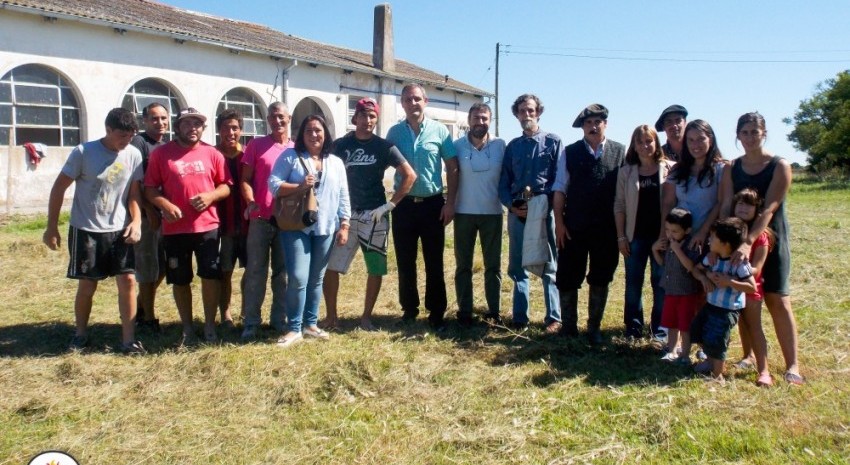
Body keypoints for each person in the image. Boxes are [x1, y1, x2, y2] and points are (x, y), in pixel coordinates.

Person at [43, 107, 145, 353]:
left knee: (129, 281)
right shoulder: (83, 152)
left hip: (120, 229)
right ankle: (80, 334)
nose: (126, 141)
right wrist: (51, 227)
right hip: (86, 228)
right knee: (88, 285)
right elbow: (58, 189)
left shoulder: (133, 154)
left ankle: (128, 340)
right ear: (108, 130)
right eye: (121, 136)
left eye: (130, 136)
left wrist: (137, 221)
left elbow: (133, 194)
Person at [720, 111, 802, 385]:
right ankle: (750, 355)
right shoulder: (733, 167)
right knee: (744, 300)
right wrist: (722, 240)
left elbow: (770, 208)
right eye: (744, 132)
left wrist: (748, 242)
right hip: (739, 242)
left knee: (778, 299)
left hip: (771, 240)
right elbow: (726, 203)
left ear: (764, 134)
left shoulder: (779, 165)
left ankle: (792, 365)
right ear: (737, 136)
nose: (750, 137)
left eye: (755, 132)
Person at [322, 98, 416, 331]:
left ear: (377, 119)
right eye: (363, 115)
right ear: (355, 118)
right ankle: (331, 317)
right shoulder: (340, 145)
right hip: (345, 216)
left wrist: (389, 206)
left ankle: (366, 317)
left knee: (375, 267)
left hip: (374, 215)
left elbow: (410, 176)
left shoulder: (384, 147)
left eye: (372, 116)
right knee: (331, 267)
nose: (367, 120)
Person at [144, 107, 232, 346]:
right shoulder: (162, 154)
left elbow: (226, 185)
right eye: (187, 123)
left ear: (203, 128)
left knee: (209, 277)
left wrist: (211, 196)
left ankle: (210, 326)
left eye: (198, 124)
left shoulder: (212, 153)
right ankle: (187, 328)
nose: (193, 128)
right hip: (175, 229)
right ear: (178, 126)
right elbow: (150, 189)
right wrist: (164, 205)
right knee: (180, 280)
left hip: (207, 227)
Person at [269, 115, 350, 347]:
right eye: (309, 131)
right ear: (302, 135)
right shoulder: (291, 157)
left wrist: (344, 224)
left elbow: (344, 195)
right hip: (297, 227)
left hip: (325, 227)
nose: (314, 135)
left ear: (326, 134)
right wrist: (300, 186)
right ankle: (294, 327)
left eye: (318, 130)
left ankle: (310, 325)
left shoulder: (335, 162)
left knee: (317, 279)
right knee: (298, 277)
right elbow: (273, 184)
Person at [386, 84, 458, 331]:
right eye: (408, 99)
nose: (412, 103)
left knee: (434, 261)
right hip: (404, 207)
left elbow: (452, 167)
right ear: (402, 103)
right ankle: (409, 310)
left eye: (417, 99)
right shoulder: (394, 133)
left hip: (433, 205)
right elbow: (382, 164)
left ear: (425, 101)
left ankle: (436, 312)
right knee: (405, 262)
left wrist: (450, 203)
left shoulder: (440, 131)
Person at [553, 104, 625, 344]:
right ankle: (569, 327)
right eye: (588, 123)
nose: (593, 127)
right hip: (574, 226)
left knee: (602, 275)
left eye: (598, 122)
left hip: (606, 228)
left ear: (606, 123)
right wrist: (559, 224)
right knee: (567, 275)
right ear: (582, 127)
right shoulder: (570, 152)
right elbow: (560, 189)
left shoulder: (620, 152)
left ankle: (593, 328)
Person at [498, 94, 562, 333]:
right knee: (518, 265)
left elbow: (560, 179)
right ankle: (520, 317)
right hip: (518, 209)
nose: (527, 115)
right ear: (516, 115)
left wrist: (551, 207)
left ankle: (554, 318)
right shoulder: (513, 147)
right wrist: (511, 205)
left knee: (549, 263)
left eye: (531, 110)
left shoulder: (553, 142)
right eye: (522, 111)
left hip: (543, 209)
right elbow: (504, 182)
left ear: (538, 113)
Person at [239, 102, 294, 340]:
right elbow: (245, 180)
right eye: (272, 117)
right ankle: (251, 322)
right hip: (260, 218)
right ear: (268, 119)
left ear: (289, 118)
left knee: (282, 273)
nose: (277, 121)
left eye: (281, 116)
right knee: (255, 272)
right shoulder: (256, 145)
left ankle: (278, 319)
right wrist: (250, 200)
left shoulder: (295, 148)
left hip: (286, 221)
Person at [614, 125, 674, 340]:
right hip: (634, 237)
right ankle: (633, 328)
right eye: (640, 142)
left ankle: (659, 329)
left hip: (662, 237)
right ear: (634, 145)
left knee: (660, 284)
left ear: (656, 143)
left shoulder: (670, 168)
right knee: (633, 284)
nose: (645, 146)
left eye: (649, 141)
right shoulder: (626, 172)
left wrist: (666, 236)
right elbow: (619, 205)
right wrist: (621, 236)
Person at [454, 103, 506, 327]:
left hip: (492, 213)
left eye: (484, 118)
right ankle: (465, 311)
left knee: (493, 266)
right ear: (469, 119)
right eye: (476, 118)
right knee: (463, 266)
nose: (480, 122)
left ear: (490, 121)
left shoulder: (500, 145)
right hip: (463, 212)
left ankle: (494, 312)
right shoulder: (456, 146)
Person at [690, 218, 757, 380]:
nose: (709, 240)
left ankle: (717, 375)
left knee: (718, 340)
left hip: (727, 310)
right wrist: (706, 276)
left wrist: (730, 282)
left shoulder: (739, 264)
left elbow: (752, 287)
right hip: (711, 305)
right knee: (702, 331)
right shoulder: (712, 258)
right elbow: (696, 270)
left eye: (712, 237)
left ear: (725, 243)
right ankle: (710, 362)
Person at [658, 119, 725, 255]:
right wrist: (664, 234)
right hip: (678, 240)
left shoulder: (722, 169)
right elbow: (668, 203)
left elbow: (721, 203)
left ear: (710, 140)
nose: (696, 145)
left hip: (706, 240)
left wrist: (703, 232)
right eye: (691, 140)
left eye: (701, 139)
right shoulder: (677, 170)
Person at [729, 188, 774, 387]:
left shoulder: (761, 236)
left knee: (754, 325)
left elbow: (756, 269)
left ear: (757, 210)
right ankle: (747, 356)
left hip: (749, 288)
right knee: (741, 322)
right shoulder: (730, 230)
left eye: (748, 204)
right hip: (730, 287)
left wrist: (736, 273)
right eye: (739, 203)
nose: (743, 208)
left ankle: (764, 371)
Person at [131, 102, 169, 334]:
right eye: (154, 118)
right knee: (148, 268)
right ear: (144, 121)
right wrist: (148, 211)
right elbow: (135, 183)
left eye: (164, 118)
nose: (160, 123)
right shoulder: (139, 144)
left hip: (161, 214)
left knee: (162, 268)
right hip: (146, 217)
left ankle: (138, 306)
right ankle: (148, 318)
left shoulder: (163, 146)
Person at [652, 208, 701, 365]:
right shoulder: (670, 244)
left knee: (684, 325)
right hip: (670, 291)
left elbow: (690, 266)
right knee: (671, 323)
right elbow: (663, 264)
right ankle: (672, 350)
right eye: (667, 230)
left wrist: (677, 250)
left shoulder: (691, 245)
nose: (670, 234)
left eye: (674, 231)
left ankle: (685, 355)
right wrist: (655, 251)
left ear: (687, 230)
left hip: (686, 293)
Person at [215, 109, 247, 331]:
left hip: (247, 225)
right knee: (224, 271)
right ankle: (225, 313)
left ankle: (247, 311)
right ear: (219, 131)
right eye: (226, 127)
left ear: (241, 130)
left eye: (235, 127)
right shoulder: (212, 155)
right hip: (222, 226)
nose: (230, 132)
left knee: (251, 270)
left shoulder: (247, 156)